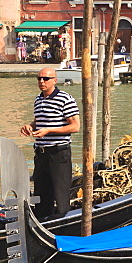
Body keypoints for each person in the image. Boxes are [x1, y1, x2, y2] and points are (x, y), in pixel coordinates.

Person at [20, 67, 80, 219]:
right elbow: (39, 121)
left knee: (60, 193)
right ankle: (43, 222)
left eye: (45, 79)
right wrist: (30, 126)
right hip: (41, 153)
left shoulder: (65, 99)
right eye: (39, 78)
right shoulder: (38, 99)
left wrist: (48, 131)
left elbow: (75, 126)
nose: (41, 82)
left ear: (54, 80)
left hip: (58, 153)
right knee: (41, 192)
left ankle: (64, 224)